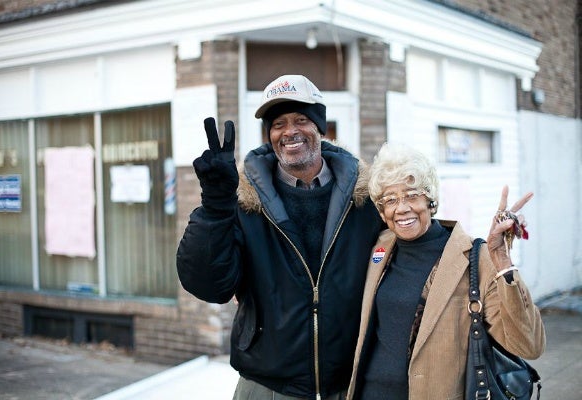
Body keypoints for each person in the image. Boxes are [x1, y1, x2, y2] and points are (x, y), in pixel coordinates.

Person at [176, 74, 384, 399]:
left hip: (349, 384)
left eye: (302, 119)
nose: (289, 131)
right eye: (278, 124)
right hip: (268, 386)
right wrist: (216, 205)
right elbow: (209, 286)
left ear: (320, 128)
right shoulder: (245, 204)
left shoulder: (365, 199)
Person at [346, 142, 546, 400]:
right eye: (391, 199)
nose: (402, 207)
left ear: (430, 200)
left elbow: (528, 344)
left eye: (412, 195)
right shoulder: (379, 248)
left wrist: (502, 262)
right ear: (382, 211)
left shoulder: (474, 257)